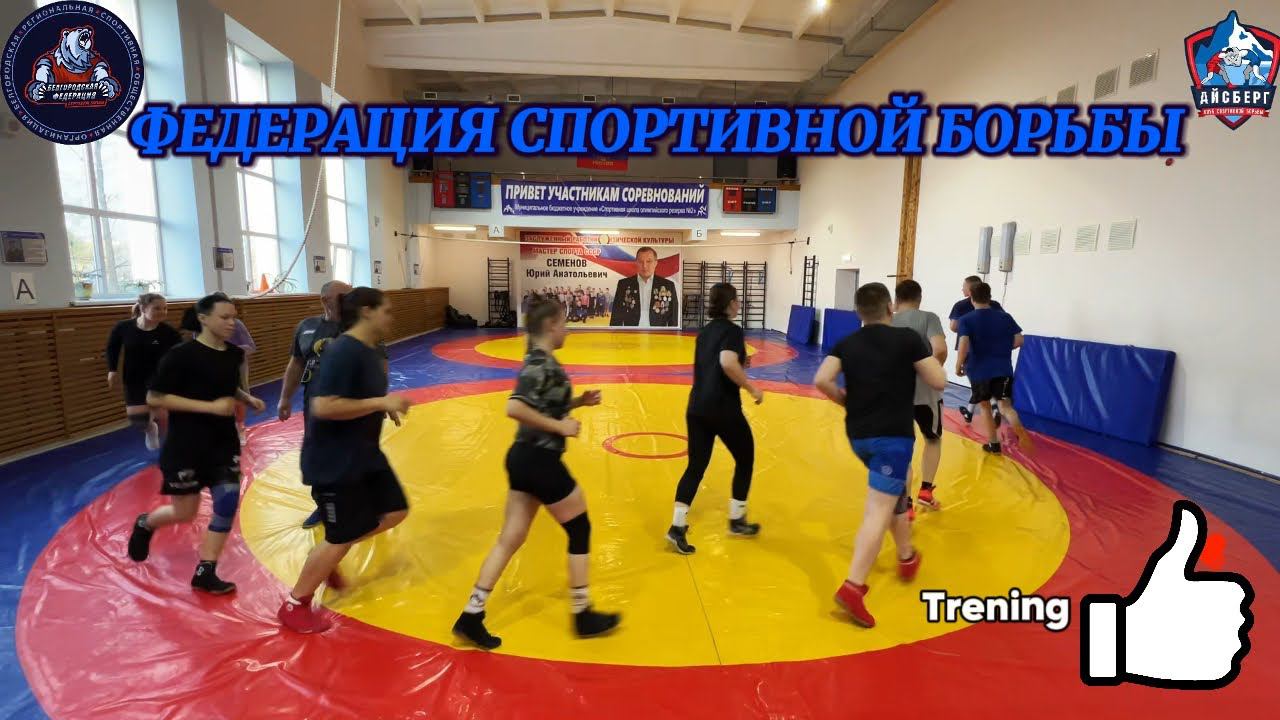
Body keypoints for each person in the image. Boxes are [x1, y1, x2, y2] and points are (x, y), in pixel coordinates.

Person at [452, 298, 621, 650]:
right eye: (564, 323)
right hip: (539, 461)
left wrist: (578, 403)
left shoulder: (542, 362)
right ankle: (582, 614)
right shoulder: (538, 362)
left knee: (510, 539)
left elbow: (541, 404)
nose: (567, 330)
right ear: (549, 326)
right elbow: (515, 407)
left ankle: (471, 614)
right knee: (580, 528)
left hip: (525, 460)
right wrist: (561, 427)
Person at [277, 287, 411, 633]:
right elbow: (323, 406)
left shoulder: (368, 351)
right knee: (340, 536)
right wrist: (380, 403)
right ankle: (295, 604)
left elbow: (363, 396)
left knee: (396, 511)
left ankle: (329, 554)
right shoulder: (343, 351)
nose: (391, 317)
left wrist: (383, 406)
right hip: (334, 461)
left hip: (364, 453)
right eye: (386, 310)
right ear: (367, 311)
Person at [814, 283, 947, 628]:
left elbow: (822, 379)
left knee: (894, 496)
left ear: (859, 312)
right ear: (890, 308)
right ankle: (853, 586)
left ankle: (906, 555)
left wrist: (845, 401)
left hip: (858, 436)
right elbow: (938, 381)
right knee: (878, 509)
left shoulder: (847, 342)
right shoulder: (907, 339)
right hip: (892, 438)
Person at [126, 293, 265, 595]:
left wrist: (246, 398)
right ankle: (145, 523)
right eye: (224, 317)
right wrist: (209, 407)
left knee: (227, 503)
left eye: (234, 317)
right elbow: (154, 397)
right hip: (186, 445)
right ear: (203, 318)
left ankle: (206, 570)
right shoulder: (181, 355)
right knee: (184, 513)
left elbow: (227, 386)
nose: (232, 323)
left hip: (223, 443)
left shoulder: (232, 353)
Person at [278, 281, 391, 529]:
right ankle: (324, 505)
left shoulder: (360, 328)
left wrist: (380, 400)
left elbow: (380, 362)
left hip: (354, 402)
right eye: (343, 297)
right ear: (325, 300)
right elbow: (296, 364)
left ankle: (371, 498)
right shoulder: (307, 328)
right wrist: (285, 398)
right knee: (322, 454)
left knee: (362, 449)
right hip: (317, 403)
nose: (349, 301)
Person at [666, 283, 763, 555]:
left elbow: (717, 363)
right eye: (737, 300)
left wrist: (741, 363)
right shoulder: (733, 331)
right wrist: (752, 387)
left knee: (696, 466)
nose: (739, 304)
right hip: (722, 408)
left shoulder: (705, 332)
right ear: (730, 303)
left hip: (697, 407)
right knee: (745, 458)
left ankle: (677, 526)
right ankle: (737, 520)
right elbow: (727, 362)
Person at [954, 282, 1032, 454]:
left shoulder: (966, 320)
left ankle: (993, 444)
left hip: (979, 369)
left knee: (985, 406)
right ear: (989, 297)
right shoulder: (1005, 317)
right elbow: (1020, 340)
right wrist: (1002, 348)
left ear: (972, 299)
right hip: (1003, 368)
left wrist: (959, 364)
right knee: (1005, 407)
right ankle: (1020, 432)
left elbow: (964, 344)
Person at [891, 280, 947, 511]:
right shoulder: (928, 318)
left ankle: (906, 503)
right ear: (919, 299)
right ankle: (925, 491)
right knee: (933, 439)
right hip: (926, 393)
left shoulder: (885, 321)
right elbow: (940, 349)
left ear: (896, 299)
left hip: (894, 395)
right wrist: (930, 371)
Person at [105, 293, 181, 450]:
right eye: (157, 308)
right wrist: (112, 370)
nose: (162, 312)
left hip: (159, 379)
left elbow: (181, 354)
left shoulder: (169, 332)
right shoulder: (123, 327)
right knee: (138, 420)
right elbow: (112, 347)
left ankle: (171, 447)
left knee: (164, 416)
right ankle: (151, 429)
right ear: (143, 308)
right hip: (133, 379)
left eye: (165, 308)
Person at [948, 275, 1003, 425]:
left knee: (978, 384)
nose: (962, 289)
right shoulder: (995, 305)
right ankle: (969, 413)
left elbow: (953, 327)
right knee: (982, 382)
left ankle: (993, 407)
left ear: (971, 290)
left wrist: (969, 327)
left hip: (970, 350)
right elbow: (1004, 325)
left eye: (964, 286)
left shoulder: (961, 306)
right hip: (991, 350)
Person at [609, 247, 679, 327]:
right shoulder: (623, 285)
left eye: (649, 261)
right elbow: (616, 316)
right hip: (631, 332)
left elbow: (673, 318)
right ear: (636, 263)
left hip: (657, 333)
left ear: (656, 263)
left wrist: (672, 333)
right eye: (640, 262)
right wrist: (615, 333)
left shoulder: (668, 285)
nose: (644, 266)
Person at [228, 313, 257, 443]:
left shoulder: (236, 324)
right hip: (214, 367)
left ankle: (240, 427)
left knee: (239, 397)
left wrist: (229, 351)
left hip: (237, 367)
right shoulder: (204, 326)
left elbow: (251, 346)